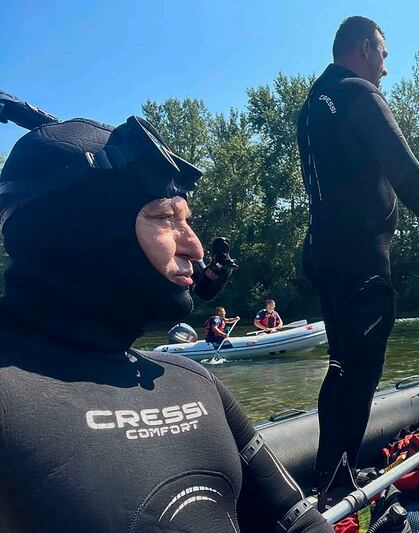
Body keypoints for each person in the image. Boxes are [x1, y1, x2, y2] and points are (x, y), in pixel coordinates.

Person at [0, 115, 331, 532]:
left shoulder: (192, 380)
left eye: (186, 220)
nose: (194, 247)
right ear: (81, 231)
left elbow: (298, 522)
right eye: (164, 218)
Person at [296, 16, 419, 498]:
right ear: (364, 49)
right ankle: (339, 482)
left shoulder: (314, 103)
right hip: (360, 258)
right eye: (383, 53)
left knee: (341, 364)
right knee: (360, 370)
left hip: (323, 252)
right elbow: (400, 161)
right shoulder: (357, 94)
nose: (385, 66)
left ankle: (328, 471)